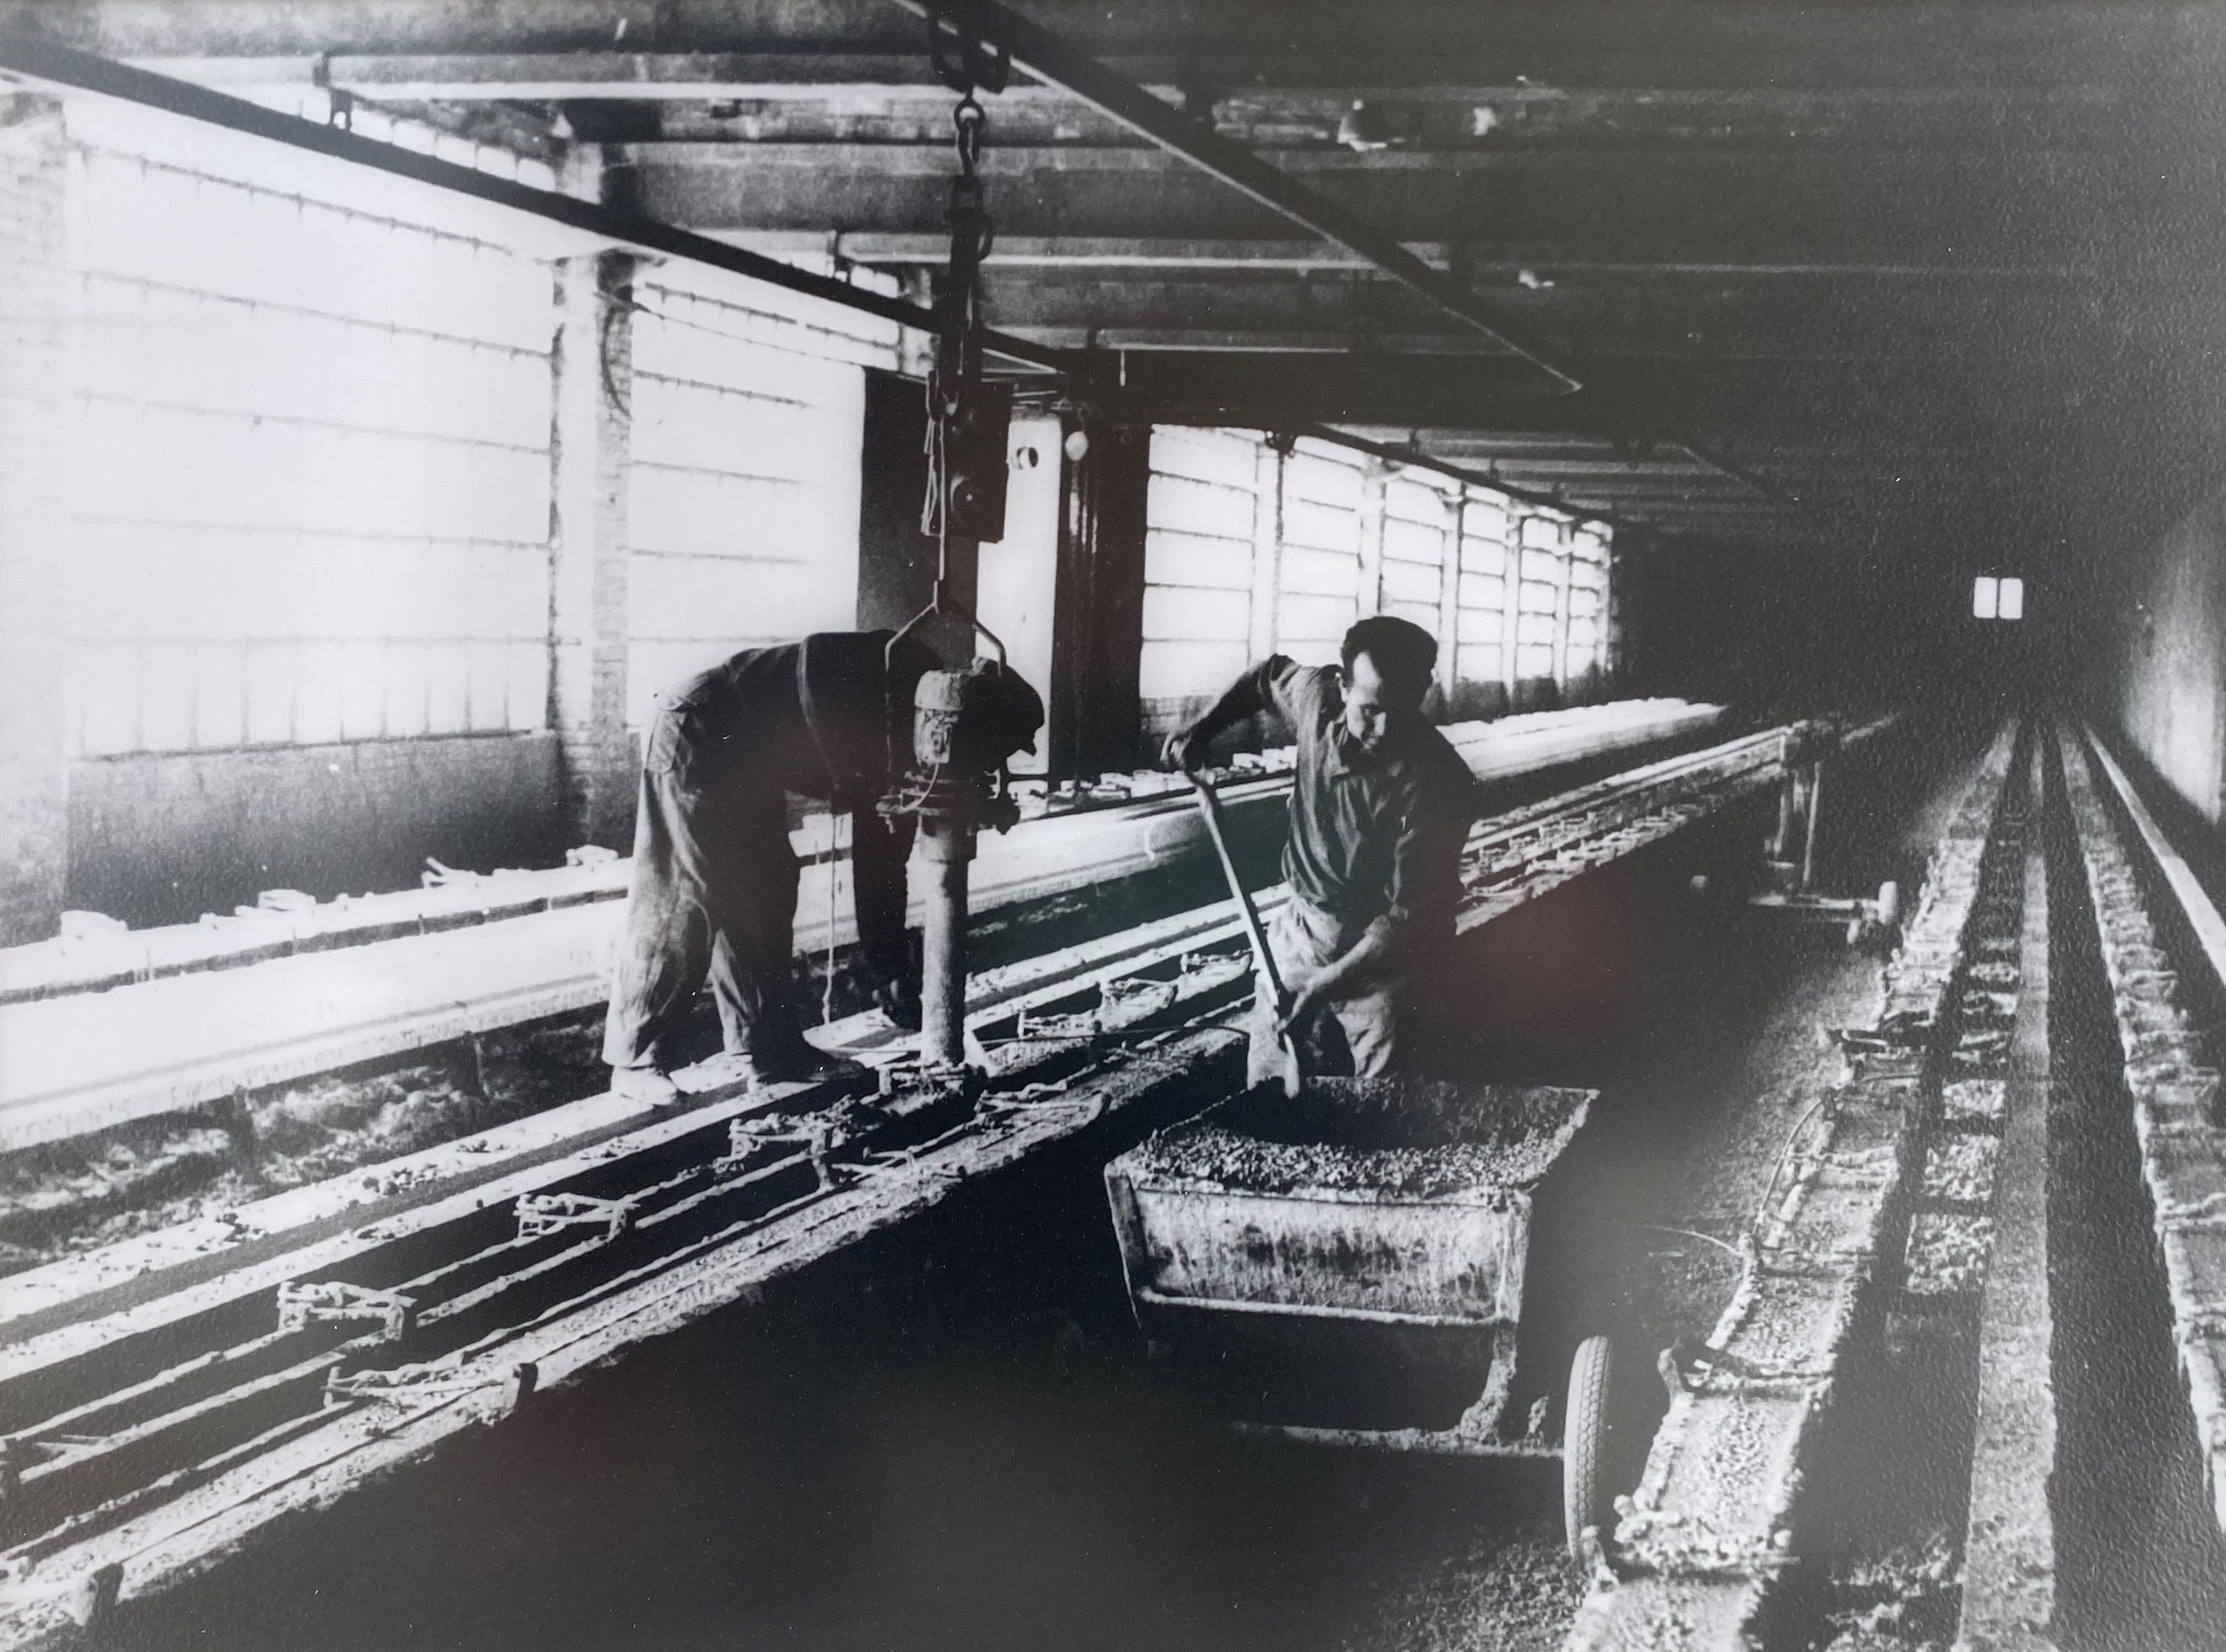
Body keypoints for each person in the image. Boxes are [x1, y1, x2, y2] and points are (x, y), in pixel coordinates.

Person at [602, 631, 1042, 1105]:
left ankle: (769, 1051)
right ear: (973, 727)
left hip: (748, 752)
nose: (988, 765)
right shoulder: (899, 707)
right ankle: (635, 1060)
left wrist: (888, 969)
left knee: (766, 889)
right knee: (687, 888)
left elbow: (880, 858)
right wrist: (890, 970)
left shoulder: (914, 706)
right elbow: (878, 861)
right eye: (995, 750)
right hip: (701, 725)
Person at [1164, 615, 1481, 1084]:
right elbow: (1265, 678)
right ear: (1343, 687)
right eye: (1370, 710)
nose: (1385, 728)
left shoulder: (1441, 783)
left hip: (1389, 962)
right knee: (1273, 1089)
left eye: (1402, 709)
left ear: (1423, 690)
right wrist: (1202, 728)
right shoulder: (1316, 701)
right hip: (1305, 933)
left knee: (1392, 1097)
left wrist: (1322, 987)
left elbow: (1406, 922)